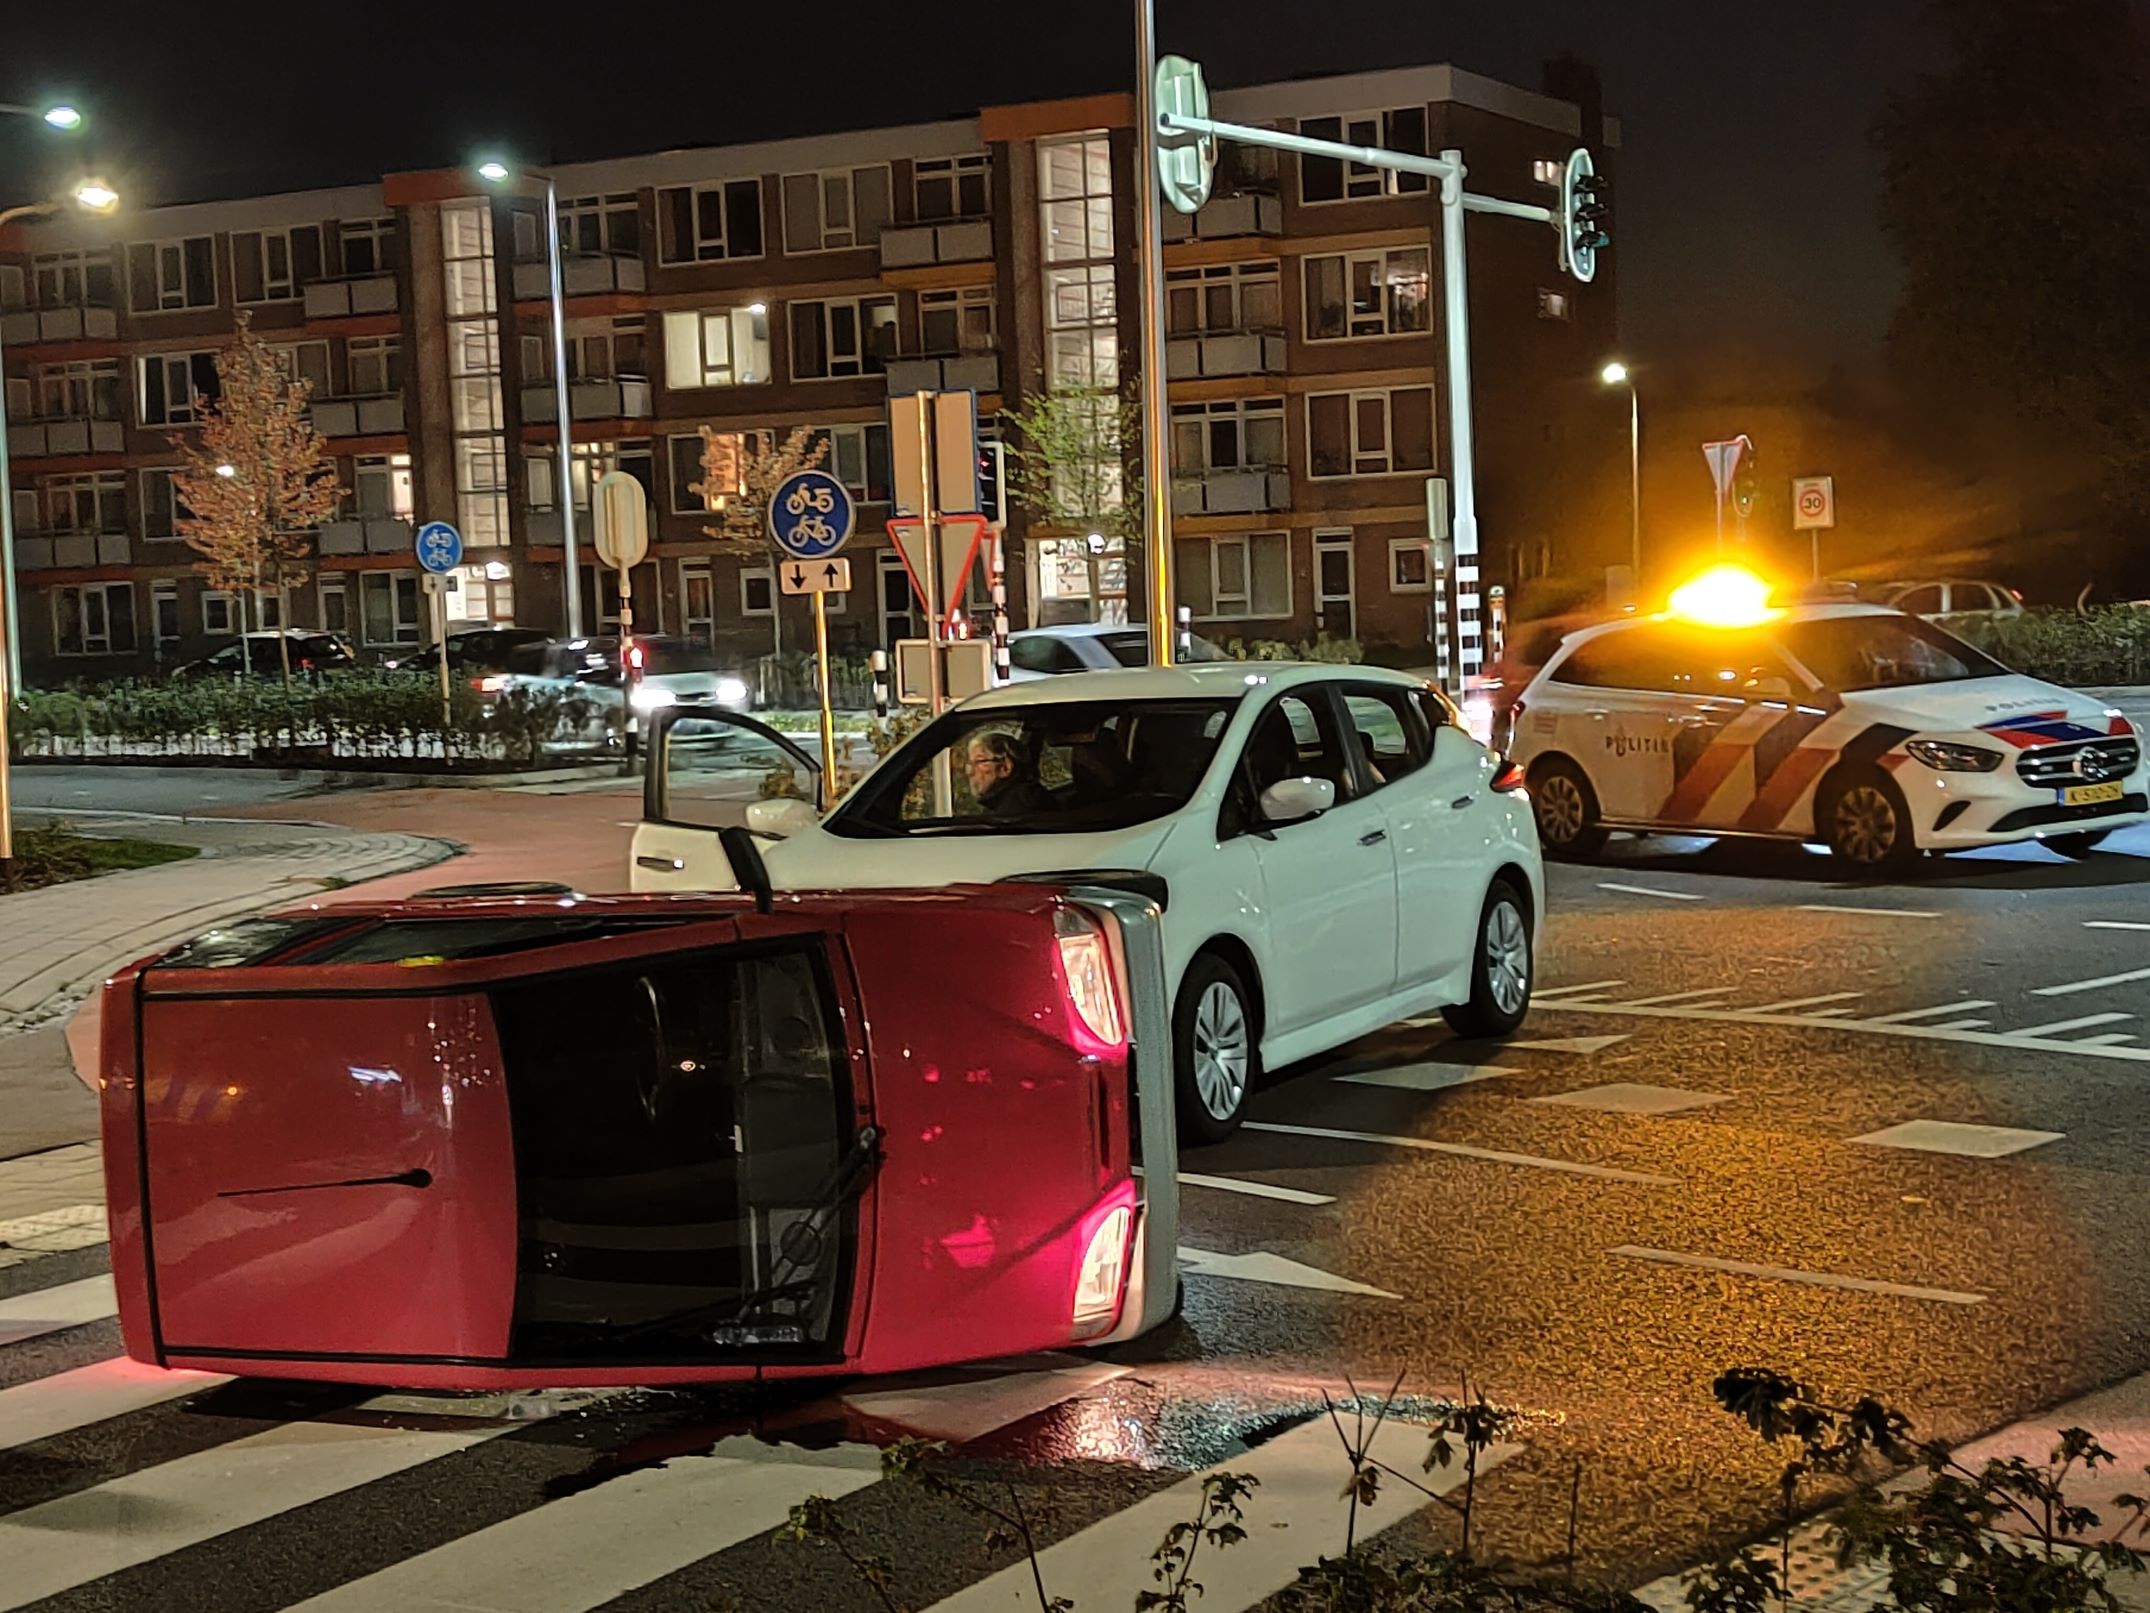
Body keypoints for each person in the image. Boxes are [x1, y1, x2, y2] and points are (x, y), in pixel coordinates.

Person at [964, 730, 1054, 815]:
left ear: (1005, 767)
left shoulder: (1014, 811)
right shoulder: (1003, 803)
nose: (969, 771)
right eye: (970, 763)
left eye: (979, 761)